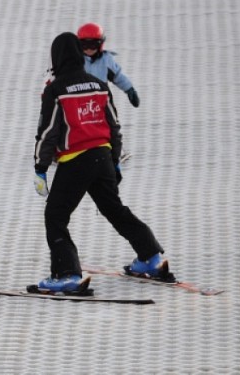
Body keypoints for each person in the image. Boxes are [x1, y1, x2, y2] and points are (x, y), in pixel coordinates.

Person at [33, 32, 174, 293]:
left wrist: (40, 168)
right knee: (114, 209)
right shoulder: (99, 85)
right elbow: (114, 125)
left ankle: (67, 275)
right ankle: (151, 258)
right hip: (103, 157)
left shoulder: (56, 89)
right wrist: (115, 160)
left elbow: (49, 130)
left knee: (55, 216)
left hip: (76, 160)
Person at [76, 22, 140, 108]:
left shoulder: (105, 61)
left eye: (93, 45)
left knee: (107, 117)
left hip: (101, 99)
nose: (89, 49)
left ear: (100, 44)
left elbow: (117, 76)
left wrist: (129, 89)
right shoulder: (75, 60)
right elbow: (62, 76)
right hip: (79, 98)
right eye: (84, 45)